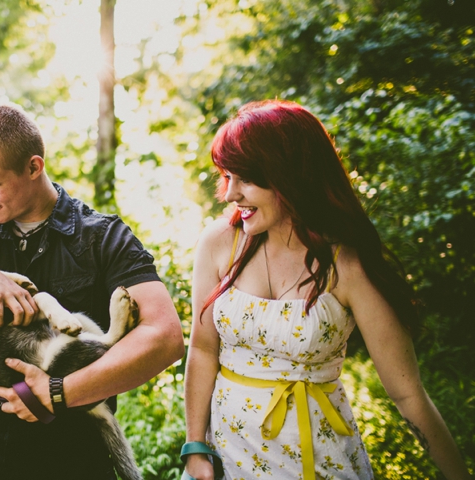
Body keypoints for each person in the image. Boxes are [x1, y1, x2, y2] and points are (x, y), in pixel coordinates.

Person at [0, 102, 184, 479]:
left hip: (71, 459)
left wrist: (60, 392)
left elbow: (165, 338)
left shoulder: (103, 237)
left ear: (33, 167)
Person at [182, 100, 472, 480]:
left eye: (246, 179)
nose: (230, 194)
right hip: (228, 458)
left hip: (316, 461)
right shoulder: (220, 242)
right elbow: (203, 349)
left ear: (289, 175)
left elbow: (408, 394)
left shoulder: (345, 264)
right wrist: (195, 448)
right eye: (227, 177)